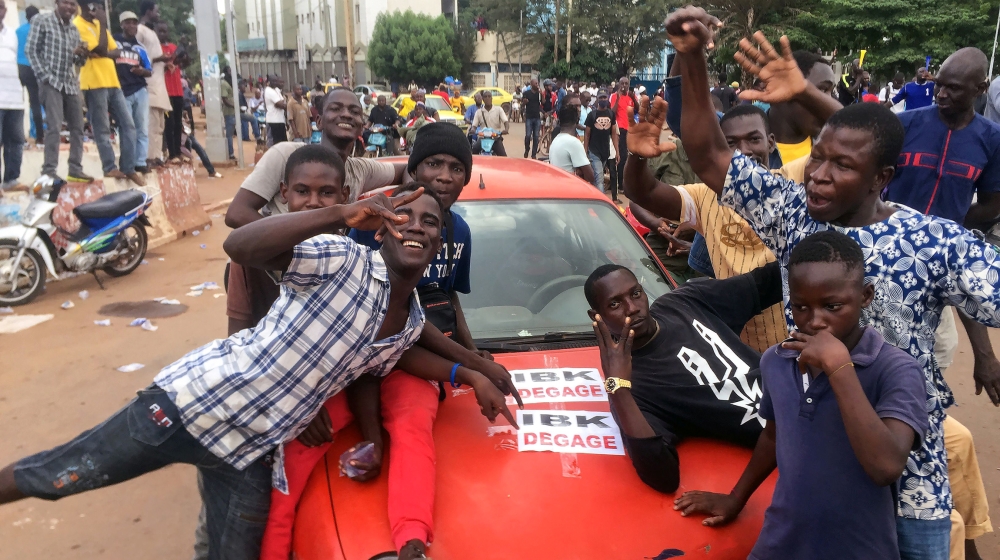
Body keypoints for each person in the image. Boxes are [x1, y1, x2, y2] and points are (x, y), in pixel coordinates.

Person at [0, 147, 517, 560]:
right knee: (57, 475)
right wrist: (339, 212)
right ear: (381, 225)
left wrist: (473, 373)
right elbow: (240, 247)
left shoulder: (410, 324)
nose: (419, 228)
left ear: (439, 243)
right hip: (188, 407)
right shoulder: (337, 257)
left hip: (249, 452)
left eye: (432, 224)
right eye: (406, 217)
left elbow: (394, 360)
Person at [661, 9, 1000, 557]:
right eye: (817, 157)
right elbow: (707, 154)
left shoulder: (935, 242)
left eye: (841, 166)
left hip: (907, 482)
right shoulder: (795, 213)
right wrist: (692, 56)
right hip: (818, 474)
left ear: (880, 179)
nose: (818, 174)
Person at [675, 231, 928, 560]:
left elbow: (886, 467)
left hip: (859, 548)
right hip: (782, 542)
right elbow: (773, 435)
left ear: (865, 296)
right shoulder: (776, 362)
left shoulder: (895, 370)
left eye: (832, 306)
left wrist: (839, 368)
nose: (815, 321)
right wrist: (736, 498)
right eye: (801, 307)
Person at [883, 47, 1000, 560]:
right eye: (940, 84)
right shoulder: (905, 123)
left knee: (921, 388)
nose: (942, 92)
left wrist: (946, 232)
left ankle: (914, 483)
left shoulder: (991, 141)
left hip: (935, 290)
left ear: (980, 90)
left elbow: (993, 202)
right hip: (881, 270)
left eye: (955, 87)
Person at [624, 103, 821, 352]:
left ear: (771, 143)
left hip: (800, 346)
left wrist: (805, 94)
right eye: (731, 144)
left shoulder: (793, 178)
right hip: (738, 353)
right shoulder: (705, 196)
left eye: (753, 139)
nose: (743, 151)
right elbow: (644, 192)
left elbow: (843, 144)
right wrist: (637, 156)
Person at [586, 260, 782, 493]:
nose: (632, 308)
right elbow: (662, 476)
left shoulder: (684, 302)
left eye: (636, 293)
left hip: (811, 394)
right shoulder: (635, 386)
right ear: (596, 316)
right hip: (793, 438)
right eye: (615, 303)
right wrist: (618, 388)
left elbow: (769, 281)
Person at [225, 87, 409, 229]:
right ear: (319, 121)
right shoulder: (285, 155)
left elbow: (406, 169)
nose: (346, 114)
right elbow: (237, 213)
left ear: (362, 127)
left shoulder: (360, 169)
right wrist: (292, 252)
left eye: (354, 111)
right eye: (336, 108)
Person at [25, 0, 92, 183]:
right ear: (57, 3)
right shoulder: (42, 21)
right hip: (51, 81)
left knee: (78, 128)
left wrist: (81, 55)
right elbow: (31, 50)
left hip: (69, 83)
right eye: (65, 3)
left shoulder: (73, 30)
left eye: (72, 4)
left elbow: (77, 63)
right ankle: (49, 171)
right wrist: (44, 76)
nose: (69, 8)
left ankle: (75, 169)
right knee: (54, 127)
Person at [75, 1, 141, 184]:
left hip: (112, 81)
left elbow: (115, 51)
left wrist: (101, 50)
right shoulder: (77, 26)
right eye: (94, 4)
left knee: (129, 125)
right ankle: (110, 167)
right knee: (102, 128)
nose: (98, 8)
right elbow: (103, 49)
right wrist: (103, 28)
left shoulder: (97, 25)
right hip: (93, 83)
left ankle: (128, 167)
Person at [113, 11, 152, 176]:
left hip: (139, 89)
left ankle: (140, 162)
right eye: (128, 23)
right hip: (121, 91)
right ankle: (126, 162)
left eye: (134, 23)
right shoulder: (114, 42)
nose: (132, 26)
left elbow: (149, 70)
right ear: (122, 24)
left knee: (142, 128)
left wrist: (141, 71)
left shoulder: (140, 48)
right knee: (127, 128)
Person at [136, 0, 171, 168]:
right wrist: (159, 59)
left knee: (159, 126)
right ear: (148, 11)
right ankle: (149, 158)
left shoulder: (151, 32)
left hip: (159, 84)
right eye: (156, 11)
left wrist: (165, 63)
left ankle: (157, 157)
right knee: (150, 125)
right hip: (148, 85)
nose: (158, 14)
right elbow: (136, 57)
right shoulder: (139, 30)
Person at [0, 0, 23, 191]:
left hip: (14, 98)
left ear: (5, 10)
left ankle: (11, 180)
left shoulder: (12, 35)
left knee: (15, 140)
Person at [156, 22, 184, 161]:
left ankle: (178, 152)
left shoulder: (174, 47)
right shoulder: (156, 49)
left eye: (164, 31)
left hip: (178, 91)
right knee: (169, 123)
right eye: (160, 31)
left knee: (179, 123)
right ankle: (172, 153)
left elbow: (183, 63)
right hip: (165, 92)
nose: (162, 34)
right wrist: (166, 67)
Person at [15, 6, 42, 146]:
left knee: (18, 104)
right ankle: (40, 138)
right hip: (33, 68)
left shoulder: (18, 31)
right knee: (35, 103)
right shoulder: (39, 30)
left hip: (19, 68)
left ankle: (21, 139)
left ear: (26, 17)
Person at [583, 89, 618, 193]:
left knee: (597, 177)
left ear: (607, 99)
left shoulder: (611, 114)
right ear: (597, 99)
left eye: (604, 98)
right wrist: (585, 151)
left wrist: (617, 151)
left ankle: (593, 196)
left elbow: (614, 134)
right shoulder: (592, 115)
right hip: (594, 151)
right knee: (599, 178)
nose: (603, 100)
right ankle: (601, 202)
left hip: (605, 151)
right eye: (601, 98)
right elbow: (587, 134)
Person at [549, 106, 594, 183]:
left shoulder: (556, 140)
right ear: (577, 120)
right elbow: (590, 177)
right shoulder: (573, 142)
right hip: (570, 188)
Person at [610, 77, 636, 199]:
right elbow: (612, 113)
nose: (624, 85)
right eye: (622, 83)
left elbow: (637, 109)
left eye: (626, 83)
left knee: (628, 157)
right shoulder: (614, 96)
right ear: (619, 84)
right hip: (619, 131)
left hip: (630, 130)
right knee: (622, 157)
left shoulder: (631, 97)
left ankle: (623, 183)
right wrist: (618, 99)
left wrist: (633, 97)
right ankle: (620, 185)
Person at [471, 90, 509, 156]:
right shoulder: (479, 112)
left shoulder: (499, 109)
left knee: (503, 157)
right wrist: (473, 130)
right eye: (485, 97)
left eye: (489, 96)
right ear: (483, 99)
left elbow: (505, 121)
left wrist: (506, 129)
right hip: (483, 138)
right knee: (474, 151)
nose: (487, 98)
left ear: (492, 98)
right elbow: (474, 125)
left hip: (495, 138)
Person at [263, 74, 287, 145]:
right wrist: (282, 103)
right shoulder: (269, 90)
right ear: (269, 82)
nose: (276, 83)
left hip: (280, 120)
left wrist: (282, 103)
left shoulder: (276, 90)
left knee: (283, 143)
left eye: (276, 81)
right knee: (275, 143)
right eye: (274, 81)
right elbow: (280, 105)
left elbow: (283, 101)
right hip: (273, 121)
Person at [522, 78, 542, 158]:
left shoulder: (539, 94)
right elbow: (522, 104)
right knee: (528, 136)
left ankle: (533, 154)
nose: (537, 85)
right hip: (529, 117)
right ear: (531, 84)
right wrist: (524, 102)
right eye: (535, 83)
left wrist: (542, 94)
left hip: (537, 117)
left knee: (536, 136)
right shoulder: (526, 93)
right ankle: (527, 149)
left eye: (537, 83)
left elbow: (543, 102)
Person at [220, 67, 237, 159]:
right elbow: (225, 99)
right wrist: (234, 106)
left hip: (234, 112)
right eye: (230, 71)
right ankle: (231, 153)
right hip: (229, 112)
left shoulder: (229, 83)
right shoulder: (224, 84)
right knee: (229, 134)